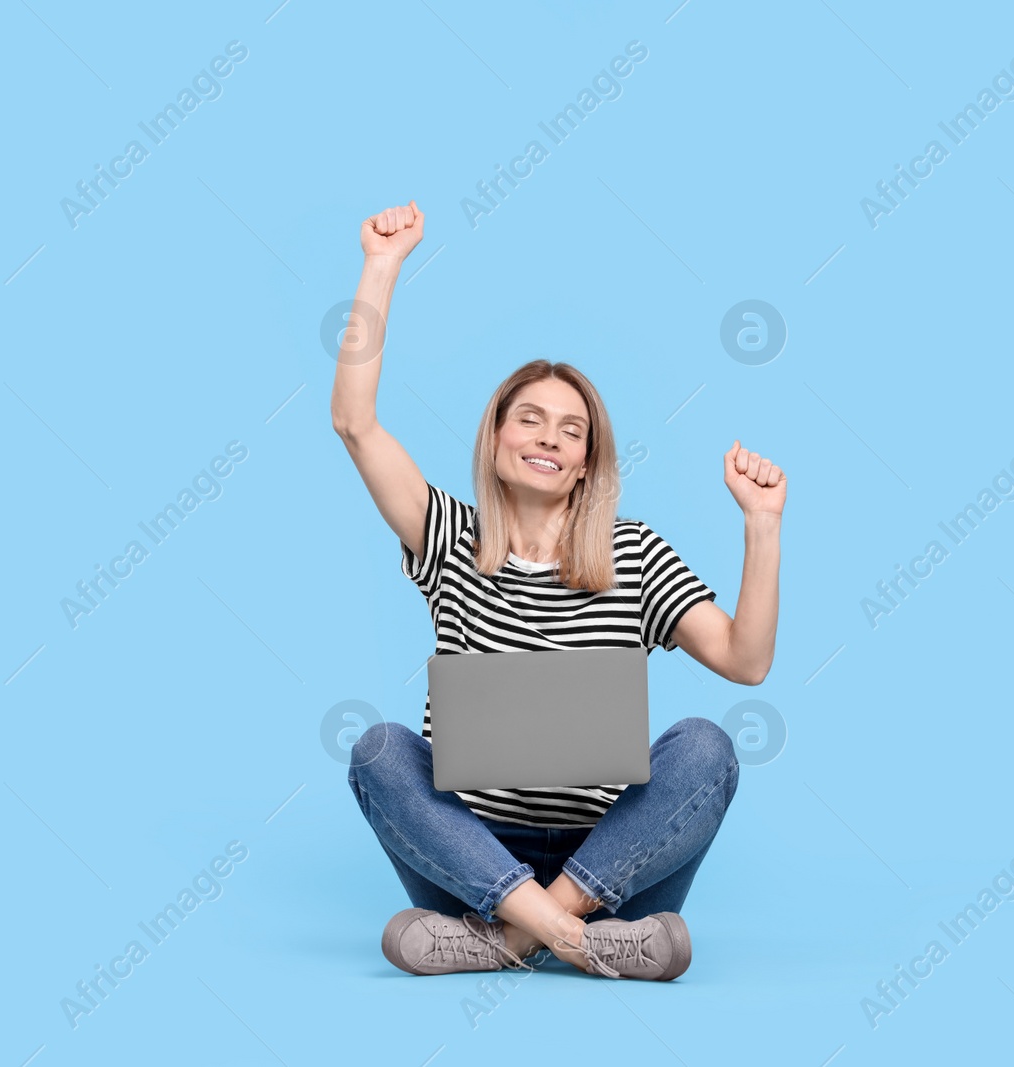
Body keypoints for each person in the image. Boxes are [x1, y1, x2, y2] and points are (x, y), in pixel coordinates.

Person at [332, 201, 784, 980]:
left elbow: (746, 662)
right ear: (497, 438)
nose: (547, 436)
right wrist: (381, 266)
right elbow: (355, 423)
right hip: (472, 862)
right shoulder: (450, 538)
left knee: (707, 746)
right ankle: (575, 942)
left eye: (569, 430)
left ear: (585, 463)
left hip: (608, 863)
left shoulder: (634, 553)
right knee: (379, 751)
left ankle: (514, 940)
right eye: (529, 419)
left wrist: (763, 526)